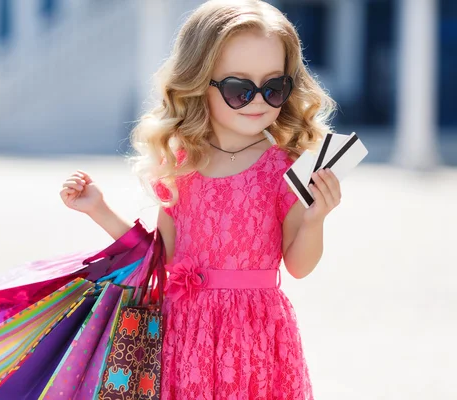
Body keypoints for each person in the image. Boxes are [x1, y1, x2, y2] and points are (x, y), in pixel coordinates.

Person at [61, 0, 340, 398]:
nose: (258, 101)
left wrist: (316, 219)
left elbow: (298, 266)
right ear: (199, 81)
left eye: (273, 87)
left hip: (256, 338)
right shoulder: (181, 165)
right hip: (182, 335)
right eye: (239, 89)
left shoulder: (285, 168)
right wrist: (97, 209)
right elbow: (161, 258)